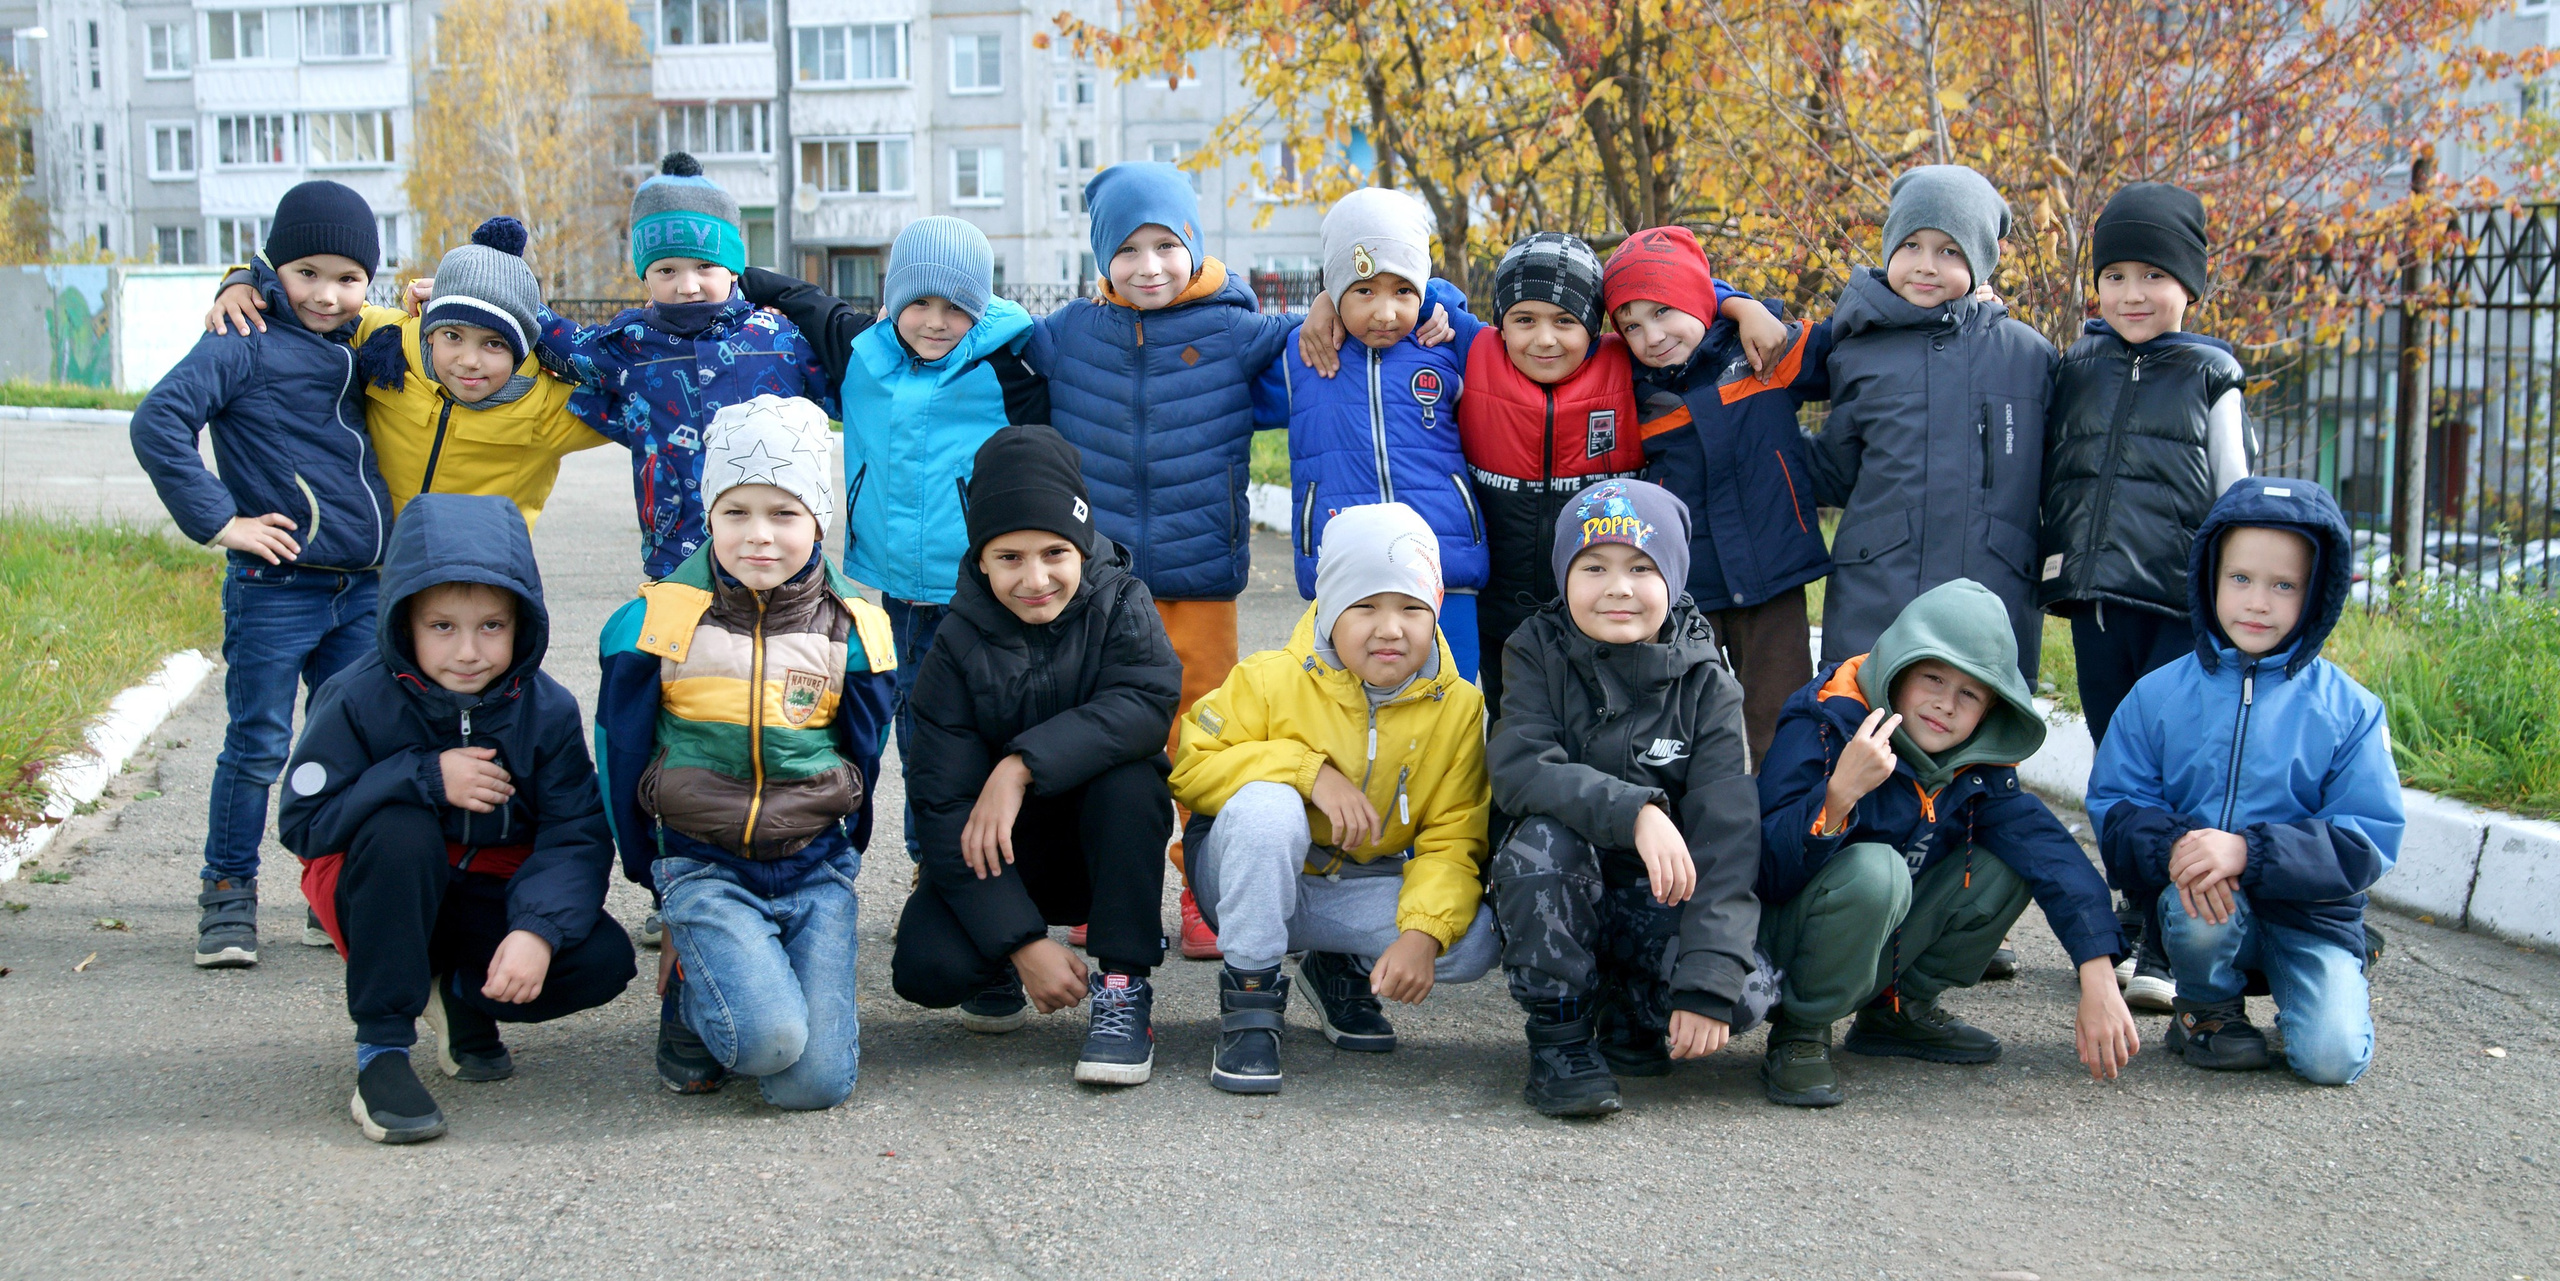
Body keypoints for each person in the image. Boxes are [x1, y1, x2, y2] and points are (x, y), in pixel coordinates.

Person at [278, 494, 636, 1143]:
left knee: (602, 959)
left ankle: (458, 996)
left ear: (522, 622)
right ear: (405, 622)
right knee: (401, 827)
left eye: (492, 626)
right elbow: (305, 822)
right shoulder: (356, 697)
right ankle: (382, 1052)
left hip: (482, 890)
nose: (469, 651)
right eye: (442, 626)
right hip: (380, 893)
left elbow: (575, 833)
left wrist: (535, 930)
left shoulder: (545, 709)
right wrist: (422, 776)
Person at [1028, 162, 1314, 960]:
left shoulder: (1237, 332)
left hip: (1200, 581)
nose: (1148, 265)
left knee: (1204, 738)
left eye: (1165, 245)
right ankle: (1106, 888)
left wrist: (1435, 303)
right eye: (1127, 249)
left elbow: (1355, 319)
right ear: (1101, 259)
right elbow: (979, 334)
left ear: (1194, 243)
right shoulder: (1070, 334)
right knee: (1103, 737)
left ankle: (1202, 890)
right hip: (1099, 586)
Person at [594, 396, 897, 1110]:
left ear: (818, 520)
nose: (759, 535)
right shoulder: (651, 623)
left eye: (784, 513)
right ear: (710, 516)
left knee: (812, 1084)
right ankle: (694, 986)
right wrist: (652, 878)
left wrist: (845, 847)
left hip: (814, 866)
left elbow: (865, 755)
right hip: (704, 863)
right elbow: (619, 757)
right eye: (736, 512)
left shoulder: (859, 631)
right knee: (765, 1043)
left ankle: (755, 970)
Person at [132, 179, 401, 969]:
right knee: (256, 744)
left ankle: (328, 889)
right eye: (306, 272)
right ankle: (227, 895)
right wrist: (223, 522)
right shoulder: (241, 336)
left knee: (348, 742)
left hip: (363, 586)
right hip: (277, 586)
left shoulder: (364, 340)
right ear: (274, 268)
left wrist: (425, 307)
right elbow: (158, 422)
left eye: (348, 278)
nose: (326, 293)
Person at [1755, 579, 2138, 1107]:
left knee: (2011, 863)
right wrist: (1837, 796)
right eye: (1932, 677)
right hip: (1782, 945)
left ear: (1991, 708)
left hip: (1873, 945)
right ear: (1897, 669)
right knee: (1877, 870)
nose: (1946, 705)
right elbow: (1763, 871)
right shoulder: (1826, 723)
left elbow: (2054, 856)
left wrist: (2098, 976)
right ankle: (1800, 1032)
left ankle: (1897, 1012)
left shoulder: (1975, 765)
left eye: (1970, 694)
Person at [738, 216, 1049, 866]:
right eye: (919, 303)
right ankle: (930, 859)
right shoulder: (862, 349)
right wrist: (725, 272)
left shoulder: (1013, 361)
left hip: (984, 588)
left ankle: (1007, 854)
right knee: (917, 725)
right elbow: (799, 297)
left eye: (955, 307)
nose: (935, 322)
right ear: (893, 297)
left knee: (992, 724)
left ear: (981, 305)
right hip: (902, 592)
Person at [1172, 502, 1497, 1094]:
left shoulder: (1458, 707)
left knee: (1472, 939)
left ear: (1436, 610)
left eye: (1412, 608)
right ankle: (1250, 1002)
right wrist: (1307, 772)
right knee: (1267, 808)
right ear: (1327, 608)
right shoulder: (1269, 678)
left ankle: (1333, 967)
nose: (1390, 628)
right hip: (1247, 882)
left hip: (1355, 887)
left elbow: (1454, 838)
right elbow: (1192, 767)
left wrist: (1422, 935)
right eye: (1365, 606)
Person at [889, 425, 1180, 1086]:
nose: (1036, 578)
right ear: (981, 561)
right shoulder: (955, 642)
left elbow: (1146, 704)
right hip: (1007, 854)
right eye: (1010, 557)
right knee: (927, 969)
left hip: (1100, 851)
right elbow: (941, 804)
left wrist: (1019, 766)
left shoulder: (1121, 602)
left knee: (1134, 781)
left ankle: (1123, 987)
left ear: (1082, 545)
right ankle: (998, 959)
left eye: (1054, 552)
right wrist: (1022, 944)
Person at [2085, 479, 2401, 1086]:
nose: (2258, 602)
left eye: (2284, 586)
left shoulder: (2351, 710)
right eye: (2240, 579)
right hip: (2203, 906)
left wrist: (2248, 851)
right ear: (2209, 579)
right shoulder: (2157, 694)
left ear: (2318, 593)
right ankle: (2205, 1011)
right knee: (2199, 900)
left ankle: (2336, 970)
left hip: (2309, 916)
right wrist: (2177, 847)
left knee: (2331, 1060)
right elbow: (2117, 806)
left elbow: (2367, 837)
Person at [1485, 479, 1770, 1116]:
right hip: (1562, 882)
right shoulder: (1534, 649)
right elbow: (1521, 768)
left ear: (1674, 576)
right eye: (1594, 567)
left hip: (1655, 894)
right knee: (1541, 844)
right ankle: (1560, 1037)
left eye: (1641, 567)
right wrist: (1637, 810)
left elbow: (1727, 840)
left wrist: (1706, 982)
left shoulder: (1710, 685)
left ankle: (1631, 1011)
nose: (1618, 587)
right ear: (1564, 576)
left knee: (1743, 994)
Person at [2038, 182, 2251, 1010]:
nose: (2132, 293)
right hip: (2099, 605)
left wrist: (2234, 602)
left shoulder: (2210, 373)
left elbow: (2236, 494)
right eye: (2115, 275)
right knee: (2117, 763)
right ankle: (2130, 907)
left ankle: (2168, 929)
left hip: (2179, 611)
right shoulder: (2076, 367)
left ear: (2188, 286)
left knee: (2177, 767)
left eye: (2154, 275)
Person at [1808, 165, 2057, 685]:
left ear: (1980, 263)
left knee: (1978, 728)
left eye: (1949, 251)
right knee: (1865, 724)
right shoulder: (1858, 351)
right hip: (1878, 598)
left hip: (1991, 602)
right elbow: (1836, 472)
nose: (1926, 265)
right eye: (1911, 246)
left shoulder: (2028, 357)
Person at [205, 217, 610, 531]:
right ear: (431, 329)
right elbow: (313, 301)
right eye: (453, 335)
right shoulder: (389, 344)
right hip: (376, 575)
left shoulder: (547, 408)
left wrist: (552, 335)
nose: (469, 360)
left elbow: (632, 384)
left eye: (494, 344)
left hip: (477, 586)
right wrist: (242, 281)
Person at [540, 154, 828, 579]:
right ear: (645, 275)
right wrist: (495, 293)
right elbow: (564, 344)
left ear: (733, 268)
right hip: (676, 555)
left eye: (704, 266)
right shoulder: (631, 344)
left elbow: (852, 389)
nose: (688, 286)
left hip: (774, 554)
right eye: (667, 270)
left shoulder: (778, 339)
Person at [1607, 226, 1824, 764]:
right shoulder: (1631, 387)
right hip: (1688, 589)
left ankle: (1784, 815)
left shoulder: (1760, 348)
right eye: (1631, 325)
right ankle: (1700, 818)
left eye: (1663, 311)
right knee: (1689, 733)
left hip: (1773, 577)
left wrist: (1742, 307)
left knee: (1781, 723)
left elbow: (1854, 349)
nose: (1651, 336)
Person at [1257, 187, 1487, 677]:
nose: (1385, 312)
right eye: (1364, 290)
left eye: (1403, 290)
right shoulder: (1305, 352)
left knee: (1453, 700)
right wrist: (1321, 304)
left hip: (1445, 567)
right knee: (1346, 710)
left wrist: (1439, 300)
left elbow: (1509, 345)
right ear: (1335, 288)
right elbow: (1221, 373)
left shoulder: (1444, 343)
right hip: (1344, 573)